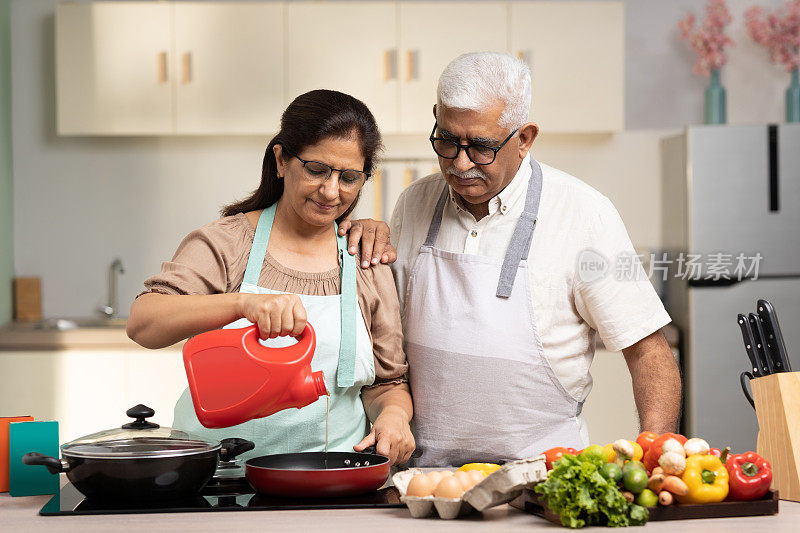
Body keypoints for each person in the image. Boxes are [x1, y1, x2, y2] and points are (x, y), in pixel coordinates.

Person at [341, 52, 681, 466]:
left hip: (544, 480)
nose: (461, 163)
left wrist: (656, 454)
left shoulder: (585, 213)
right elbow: (384, 335)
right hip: (424, 480)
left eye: (481, 146)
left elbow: (648, 350)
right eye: (447, 141)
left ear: (525, 138)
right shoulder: (415, 202)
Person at [126, 90, 414, 465]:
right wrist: (242, 304)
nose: (331, 191)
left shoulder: (366, 261)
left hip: (329, 482)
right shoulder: (226, 243)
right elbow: (143, 323)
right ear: (281, 160)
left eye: (349, 178)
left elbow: (387, 384)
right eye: (316, 170)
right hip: (217, 477)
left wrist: (394, 416)